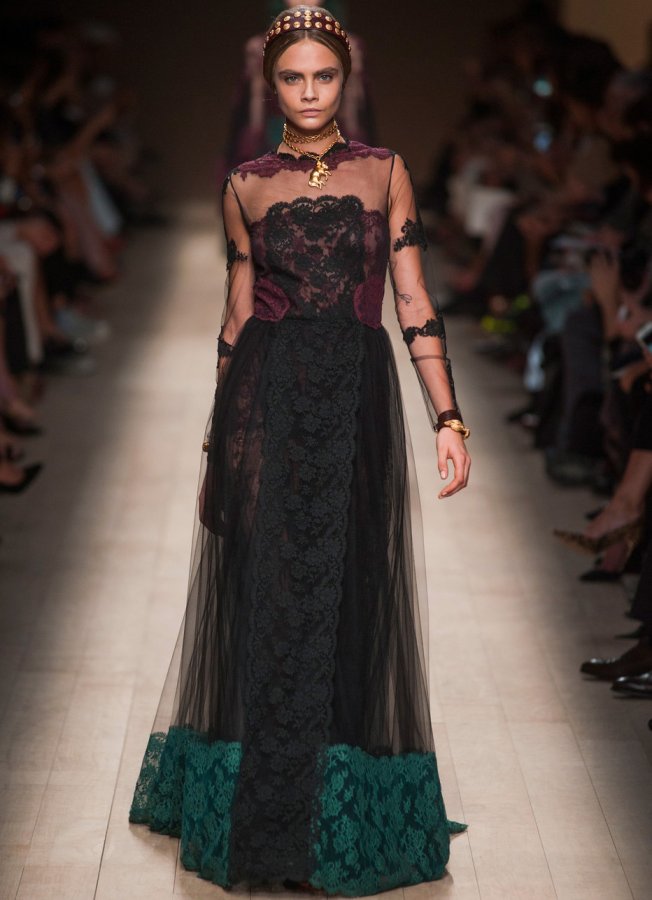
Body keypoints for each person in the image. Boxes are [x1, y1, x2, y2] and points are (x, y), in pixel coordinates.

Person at [128, 6, 470, 895]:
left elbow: (413, 299)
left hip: (358, 398)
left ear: (346, 79)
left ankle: (336, 816)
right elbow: (236, 316)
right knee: (274, 591)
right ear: (270, 83)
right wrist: (218, 442)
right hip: (270, 394)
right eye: (293, 77)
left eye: (324, 76)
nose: (310, 93)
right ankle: (273, 816)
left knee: (352, 587)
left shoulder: (385, 171)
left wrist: (449, 417)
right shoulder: (245, 186)